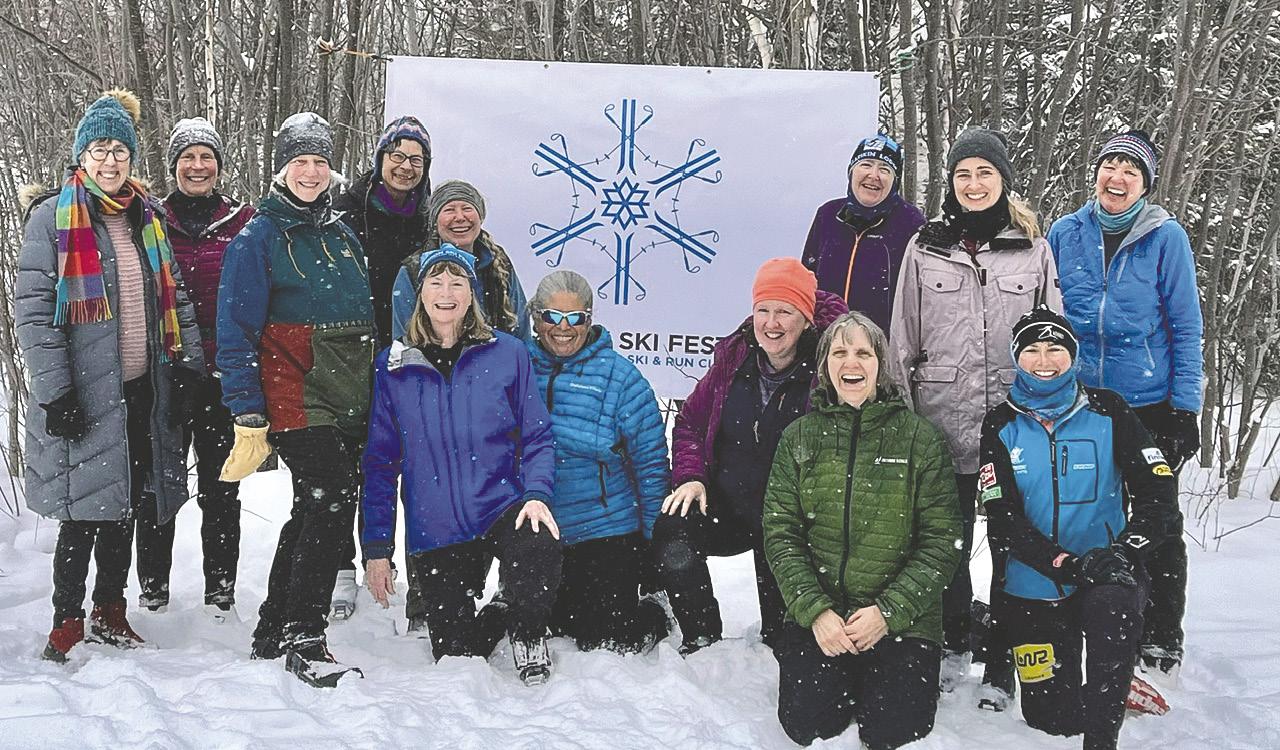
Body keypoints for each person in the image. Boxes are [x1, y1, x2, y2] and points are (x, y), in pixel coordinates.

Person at [17, 89, 204, 662]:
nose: (110, 160)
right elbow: (33, 314)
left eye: (120, 150)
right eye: (99, 149)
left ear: (132, 158)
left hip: (141, 390)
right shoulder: (53, 219)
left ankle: (109, 610)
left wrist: (189, 368)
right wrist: (56, 392)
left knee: (125, 505)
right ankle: (66, 620)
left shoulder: (147, 218)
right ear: (81, 155)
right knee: (81, 513)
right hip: (84, 392)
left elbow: (176, 300)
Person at [888, 127, 1061, 695]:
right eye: (963, 174)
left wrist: (1049, 417)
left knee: (1015, 548)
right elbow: (902, 341)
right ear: (951, 183)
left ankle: (1005, 661)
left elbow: (1052, 341)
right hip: (941, 423)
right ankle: (953, 642)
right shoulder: (925, 247)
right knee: (947, 544)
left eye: (985, 172)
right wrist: (904, 422)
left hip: (1016, 427)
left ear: (1003, 181)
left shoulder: (1032, 249)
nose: (974, 183)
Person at [216, 112, 374, 687]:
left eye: (320, 161)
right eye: (300, 161)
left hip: (346, 395)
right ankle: (305, 635)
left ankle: (271, 628)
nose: (311, 172)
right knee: (332, 496)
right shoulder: (257, 239)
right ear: (281, 169)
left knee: (312, 505)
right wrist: (246, 408)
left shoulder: (342, 234)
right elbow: (234, 331)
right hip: (292, 393)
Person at [979, 306, 1182, 749]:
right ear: (1016, 357)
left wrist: (1124, 552)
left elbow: (1158, 493)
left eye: (1055, 348)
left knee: (1112, 609)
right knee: (1052, 721)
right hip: (1035, 582)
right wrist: (1066, 564)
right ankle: (1096, 685)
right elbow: (1003, 518)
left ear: (1073, 355)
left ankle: (1108, 706)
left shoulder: (1109, 410)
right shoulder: (1000, 422)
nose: (1044, 360)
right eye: (1032, 349)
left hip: (1108, 571)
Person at [362, 245, 561, 685]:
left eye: (457, 283)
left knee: (538, 546)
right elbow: (380, 464)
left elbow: (537, 435)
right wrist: (377, 549)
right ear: (420, 294)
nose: (446, 293)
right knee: (456, 655)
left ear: (472, 293)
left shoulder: (508, 353)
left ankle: (529, 631)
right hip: (438, 527)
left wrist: (537, 494)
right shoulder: (393, 366)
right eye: (436, 283)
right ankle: (501, 611)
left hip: (500, 505)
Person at [763, 311, 961, 749]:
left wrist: (888, 613)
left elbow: (942, 542)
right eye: (839, 353)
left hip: (902, 620)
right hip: (824, 616)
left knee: (896, 731)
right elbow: (780, 534)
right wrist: (816, 612)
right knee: (807, 725)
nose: (851, 363)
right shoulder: (799, 437)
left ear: (880, 365)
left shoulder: (919, 439)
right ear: (824, 366)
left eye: (863, 353)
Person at [1047, 129, 1202, 681]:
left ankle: (1159, 633)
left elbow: (1186, 326)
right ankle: (1085, 617)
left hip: (1147, 404)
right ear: (1095, 174)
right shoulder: (1065, 232)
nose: (1117, 177)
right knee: (1082, 513)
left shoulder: (1166, 238)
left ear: (1145, 184)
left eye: (1130, 170)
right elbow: (1046, 312)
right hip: (1079, 401)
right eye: (1109, 165)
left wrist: (1186, 408)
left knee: (1157, 520)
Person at [653, 258, 848, 655]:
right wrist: (691, 477)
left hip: (791, 519)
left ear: (806, 319)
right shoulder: (734, 358)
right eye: (763, 310)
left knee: (782, 641)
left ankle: (780, 633)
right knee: (674, 525)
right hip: (730, 506)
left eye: (785, 312)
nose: (771, 323)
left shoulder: (828, 368)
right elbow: (689, 422)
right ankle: (701, 637)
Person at [141, 116, 254, 620]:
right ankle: (153, 590)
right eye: (187, 157)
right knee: (158, 486)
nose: (197, 165)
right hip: (164, 374)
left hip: (220, 376)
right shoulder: (150, 220)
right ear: (174, 166)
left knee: (221, 487)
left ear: (219, 166)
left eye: (206, 156)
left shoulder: (241, 222)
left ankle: (220, 592)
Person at [525, 270, 670, 654]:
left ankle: (656, 610)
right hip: (541, 530)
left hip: (605, 528)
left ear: (589, 320)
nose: (563, 328)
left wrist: (653, 546)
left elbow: (651, 464)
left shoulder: (621, 378)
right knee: (553, 627)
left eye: (575, 318)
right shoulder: (517, 367)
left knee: (606, 641)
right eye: (552, 316)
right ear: (536, 318)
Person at [329, 115, 433, 620]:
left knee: (411, 468)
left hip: (410, 357)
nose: (405, 167)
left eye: (416, 160)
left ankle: (418, 578)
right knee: (349, 466)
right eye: (397, 155)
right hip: (350, 354)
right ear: (380, 158)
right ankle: (341, 569)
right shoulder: (346, 211)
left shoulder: (430, 221)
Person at [801, 134, 925, 335]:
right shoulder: (828, 214)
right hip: (826, 342)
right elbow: (806, 280)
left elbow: (920, 297)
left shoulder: (911, 222)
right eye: (866, 164)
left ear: (895, 181)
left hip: (881, 345)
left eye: (884, 169)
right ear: (851, 171)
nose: (873, 175)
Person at [391, 179, 529, 341]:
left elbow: (522, 329)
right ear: (435, 221)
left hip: (498, 356)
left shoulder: (498, 262)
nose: (460, 217)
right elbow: (404, 341)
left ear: (480, 217)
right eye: (449, 210)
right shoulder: (413, 271)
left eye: (467, 208)